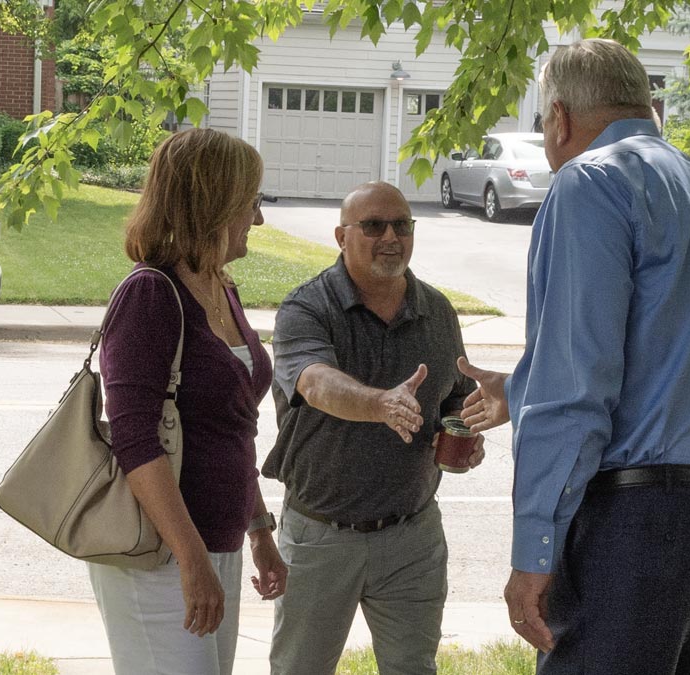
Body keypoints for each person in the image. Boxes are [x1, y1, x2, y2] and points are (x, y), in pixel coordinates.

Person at [457, 38, 690, 674]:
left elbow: (576, 392)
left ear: (561, 119)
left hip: (641, 527)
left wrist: (533, 553)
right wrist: (520, 390)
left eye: (544, 121)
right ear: (649, 106)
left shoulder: (589, 182)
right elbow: (667, 360)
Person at [263, 181, 484, 675]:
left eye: (402, 225)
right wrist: (380, 403)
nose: (391, 236)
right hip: (322, 535)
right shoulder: (307, 308)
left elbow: (453, 402)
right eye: (373, 226)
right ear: (341, 236)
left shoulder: (437, 312)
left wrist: (466, 440)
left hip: (412, 537)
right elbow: (314, 382)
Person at [89, 128, 287, 675]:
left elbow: (232, 430)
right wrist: (190, 557)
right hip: (159, 555)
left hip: (215, 543)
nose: (259, 219)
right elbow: (135, 440)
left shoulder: (221, 286)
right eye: (251, 203)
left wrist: (259, 530)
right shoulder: (150, 295)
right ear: (213, 202)